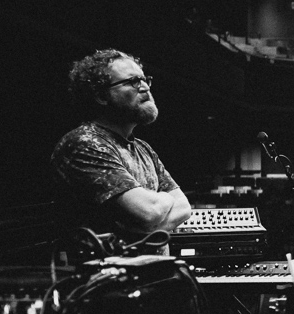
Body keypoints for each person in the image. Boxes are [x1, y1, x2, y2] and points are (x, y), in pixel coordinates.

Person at [51, 49, 191, 250]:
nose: (144, 87)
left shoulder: (143, 148)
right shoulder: (84, 143)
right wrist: (164, 202)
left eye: (145, 79)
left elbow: (184, 208)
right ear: (101, 96)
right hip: (106, 278)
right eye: (132, 81)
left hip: (151, 275)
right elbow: (148, 212)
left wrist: (141, 226)